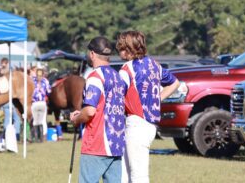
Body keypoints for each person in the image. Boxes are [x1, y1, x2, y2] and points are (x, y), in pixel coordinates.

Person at [116, 30, 180, 183]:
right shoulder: (153, 64)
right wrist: (157, 100)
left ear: (129, 49)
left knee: (137, 175)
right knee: (127, 173)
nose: (119, 50)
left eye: (121, 47)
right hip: (150, 125)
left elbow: (117, 97)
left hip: (136, 123)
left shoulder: (127, 69)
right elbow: (175, 83)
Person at [70, 36, 126, 183]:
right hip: (116, 143)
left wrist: (76, 118)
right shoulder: (118, 77)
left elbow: (90, 111)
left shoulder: (95, 77)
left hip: (97, 144)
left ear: (92, 54)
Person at [0, 57, 21, 141]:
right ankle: (17, 135)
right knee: (16, 118)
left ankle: (5, 135)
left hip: (5, 100)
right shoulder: (11, 74)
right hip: (11, 100)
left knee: (8, 118)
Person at [31, 67, 51, 142]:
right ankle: (43, 136)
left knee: (35, 121)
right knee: (43, 120)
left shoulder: (32, 80)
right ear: (43, 74)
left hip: (34, 103)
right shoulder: (45, 81)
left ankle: (36, 137)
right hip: (42, 102)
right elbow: (49, 91)